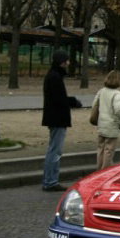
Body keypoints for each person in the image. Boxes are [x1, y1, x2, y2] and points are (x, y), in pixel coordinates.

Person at [42, 51, 81, 191]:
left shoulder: (53, 75)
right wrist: (74, 101)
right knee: (55, 151)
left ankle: (49, 179)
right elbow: (60, 99)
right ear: (62, 62)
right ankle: (51, 181)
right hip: (58, 118)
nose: (69, 63)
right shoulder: (55, 77)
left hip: (54, 117)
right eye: (67, 61)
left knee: (53, 149)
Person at [93, 70, 120, 170]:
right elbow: (119, 110)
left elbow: (94, 105)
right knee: (109, 150)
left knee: (101, 149)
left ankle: (99, 169)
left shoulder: (101, 91)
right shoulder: (117, 94)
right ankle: (104, 171)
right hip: (112, 125)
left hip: (101, 123)